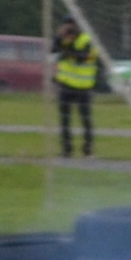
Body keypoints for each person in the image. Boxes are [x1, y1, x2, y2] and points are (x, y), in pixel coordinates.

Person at [52, 18, 100, 157]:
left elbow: (81, 58)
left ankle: (87, 149)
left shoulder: (86, 39)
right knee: (64, 119)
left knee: (85, 119)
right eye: (67, 25)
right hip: (66, 84)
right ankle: (66, 149)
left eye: (72, 25)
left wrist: (67, 46)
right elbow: (53, 50)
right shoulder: (63, 39)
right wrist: (60, 37)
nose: (70, 28)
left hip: (83, 86)